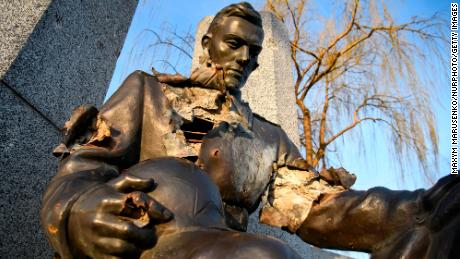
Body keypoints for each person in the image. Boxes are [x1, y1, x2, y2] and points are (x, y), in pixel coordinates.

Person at [41, 2, 459, 259]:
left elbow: (320, 207)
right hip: (136, 239)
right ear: (208, 44)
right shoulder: (147, 92)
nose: (245, 58)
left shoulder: (268, 137)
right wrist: (76, 215)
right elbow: (82, 168)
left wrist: (417, 209)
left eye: (254, 51)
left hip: (220, 250)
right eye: (234, 44)